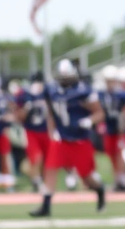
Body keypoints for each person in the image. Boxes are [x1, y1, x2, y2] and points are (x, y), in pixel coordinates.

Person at [28, 59, 106, 216]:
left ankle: (100, 191)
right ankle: (45, 206)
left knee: (86, 177)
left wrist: (89, 121)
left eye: (67, 78)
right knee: (50, 169)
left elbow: (100, 113)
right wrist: (52, 131)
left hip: (80, 139)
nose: (65, 82)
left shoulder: (84, 90)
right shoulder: (51, 89)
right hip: (62, 138)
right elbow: (51, 112)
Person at [96, 65, 125, 192]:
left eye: (111, 80)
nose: (110, 83)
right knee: (111, 153)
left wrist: (123, 126)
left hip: (121, 130)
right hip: (110, 129)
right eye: (108, 80)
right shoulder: (101, 94)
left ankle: (124, 179)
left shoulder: (122, 95)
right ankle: (118, 179)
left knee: (121, 154)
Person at [15, 73, 51, 192]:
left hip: (47, 131)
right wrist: (27, 107)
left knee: (48, 160)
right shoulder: (26, 95)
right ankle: (36, 182)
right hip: (32, 131)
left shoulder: (49, 93)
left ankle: (46, 184)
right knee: (36, 157)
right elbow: (19, 116)